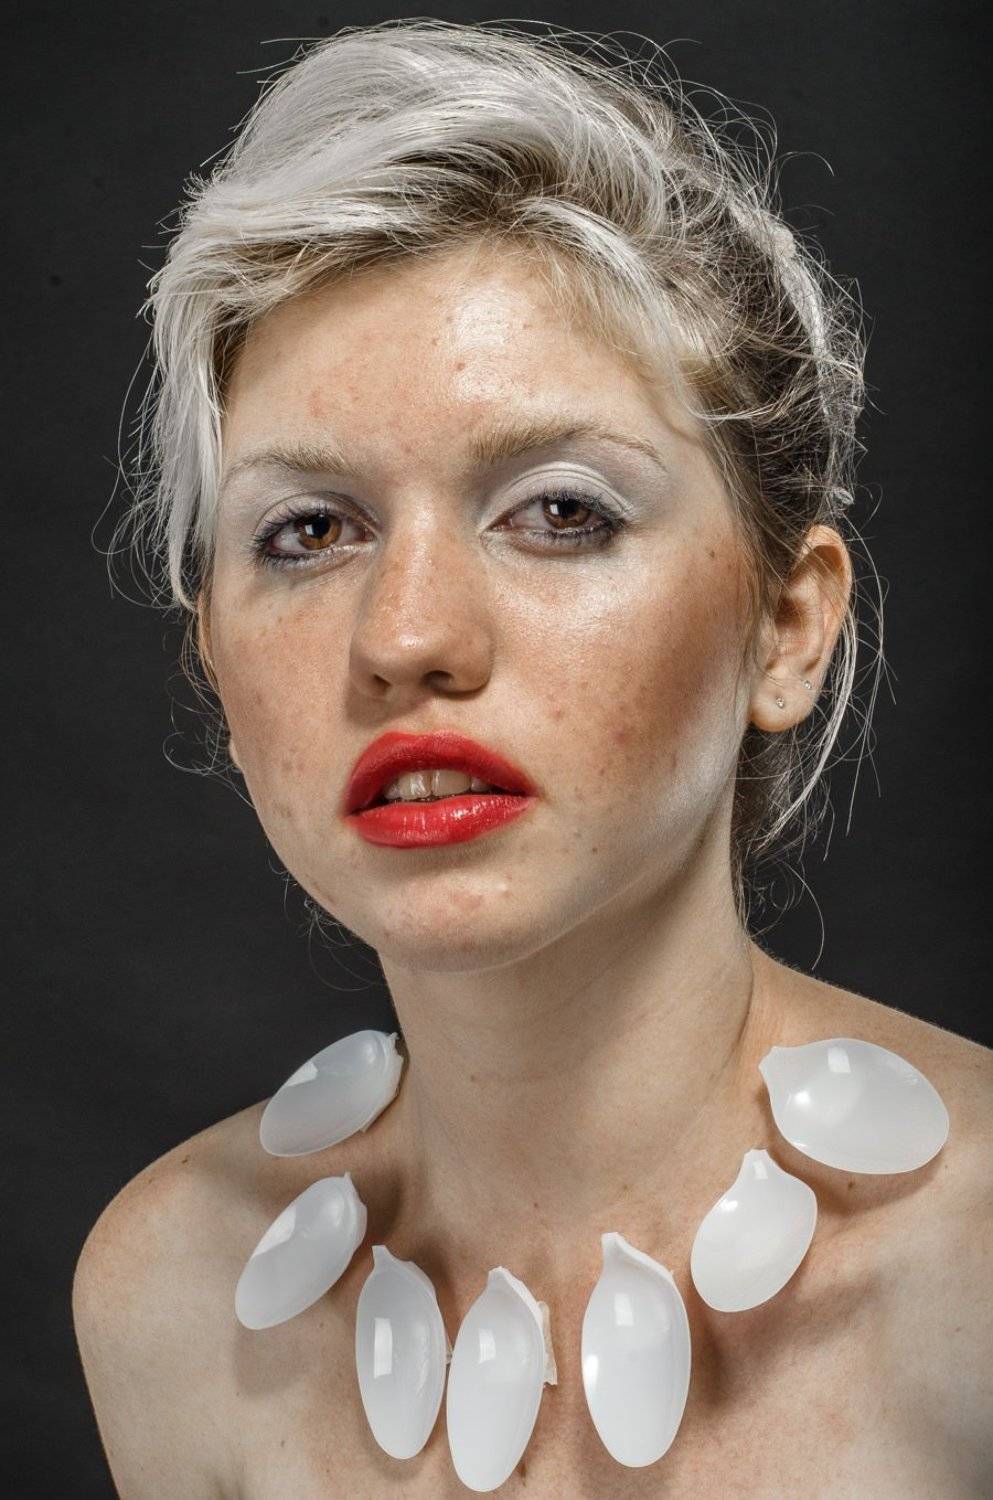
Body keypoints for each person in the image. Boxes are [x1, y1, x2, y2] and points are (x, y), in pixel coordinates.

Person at [72, 18, 992, 1497]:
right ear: (217, 672)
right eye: (307, 530)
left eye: (561, 512)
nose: (407, 636)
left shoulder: (972, 1285)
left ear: (785, 627)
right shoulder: (173, 1298)